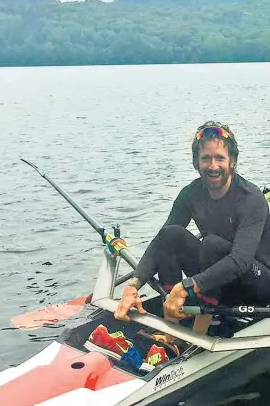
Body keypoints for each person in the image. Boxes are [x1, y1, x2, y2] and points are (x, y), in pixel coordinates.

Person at [114, 121, 270, 335]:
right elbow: (162, 242)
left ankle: (195, 334)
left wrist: (188, 286)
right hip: (215, 281)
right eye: (206, 158)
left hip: (257, 283)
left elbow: (240, 261)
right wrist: (134, 285)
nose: (213, 166)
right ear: (196, 163)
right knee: (171, 235)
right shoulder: (190, 194)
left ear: (232, 162)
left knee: (212, 244)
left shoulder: (251, 197)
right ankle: (174, 320)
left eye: (220, 158)